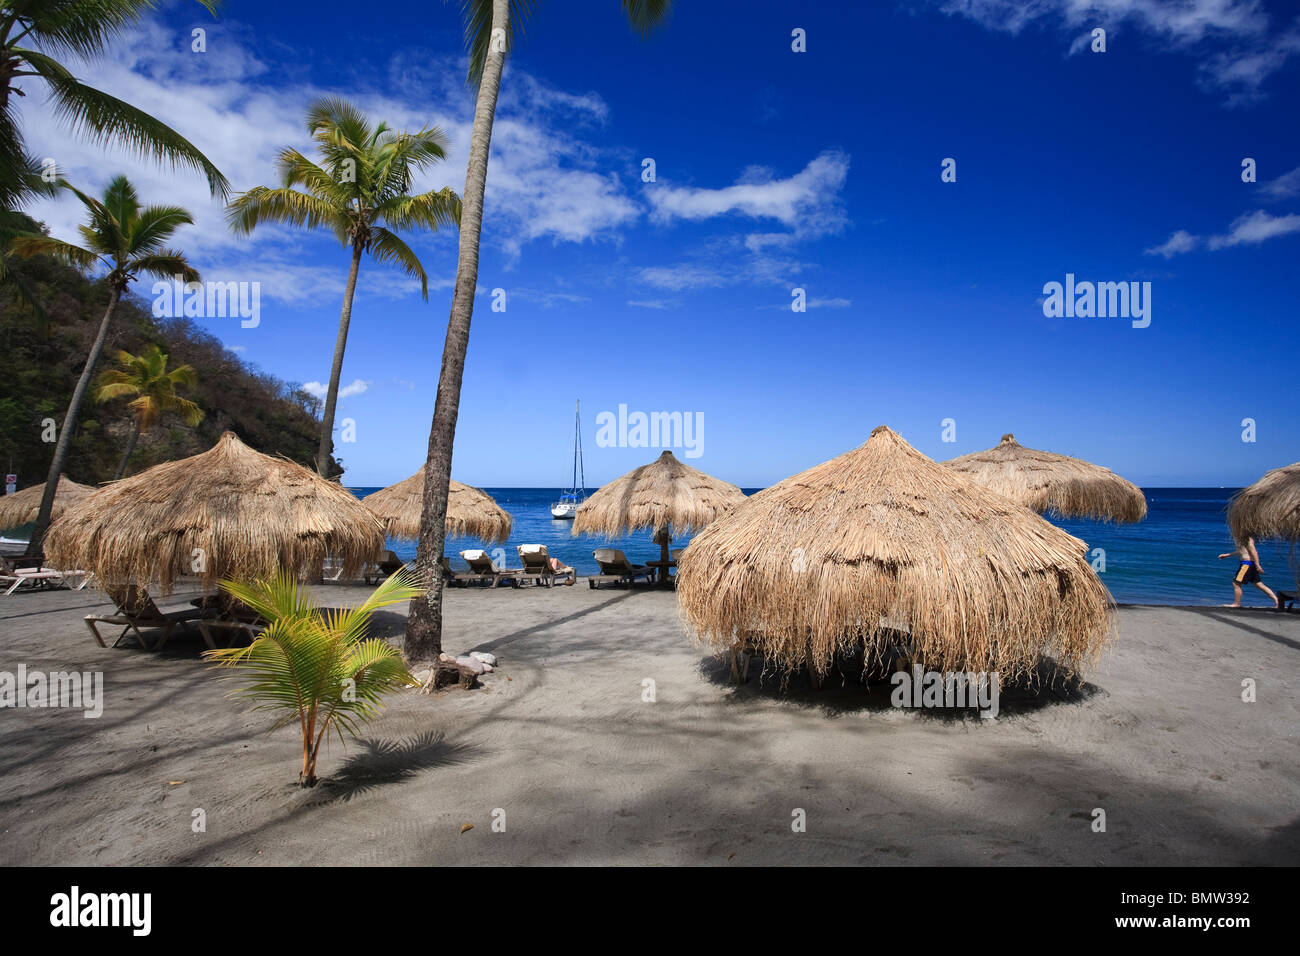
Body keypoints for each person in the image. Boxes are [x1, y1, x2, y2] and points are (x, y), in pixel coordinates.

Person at [1218, 536, 1280, 608]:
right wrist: (1227, 555)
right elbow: (1241, 551)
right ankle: (1277, 601)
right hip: (1249, 564)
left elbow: (1254, 551)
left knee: (1236, 583)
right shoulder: (1241, 538)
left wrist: (1258, 565)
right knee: (1259, 584)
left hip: (1246, 565)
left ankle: (1236, 604)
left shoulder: (1247, 538)